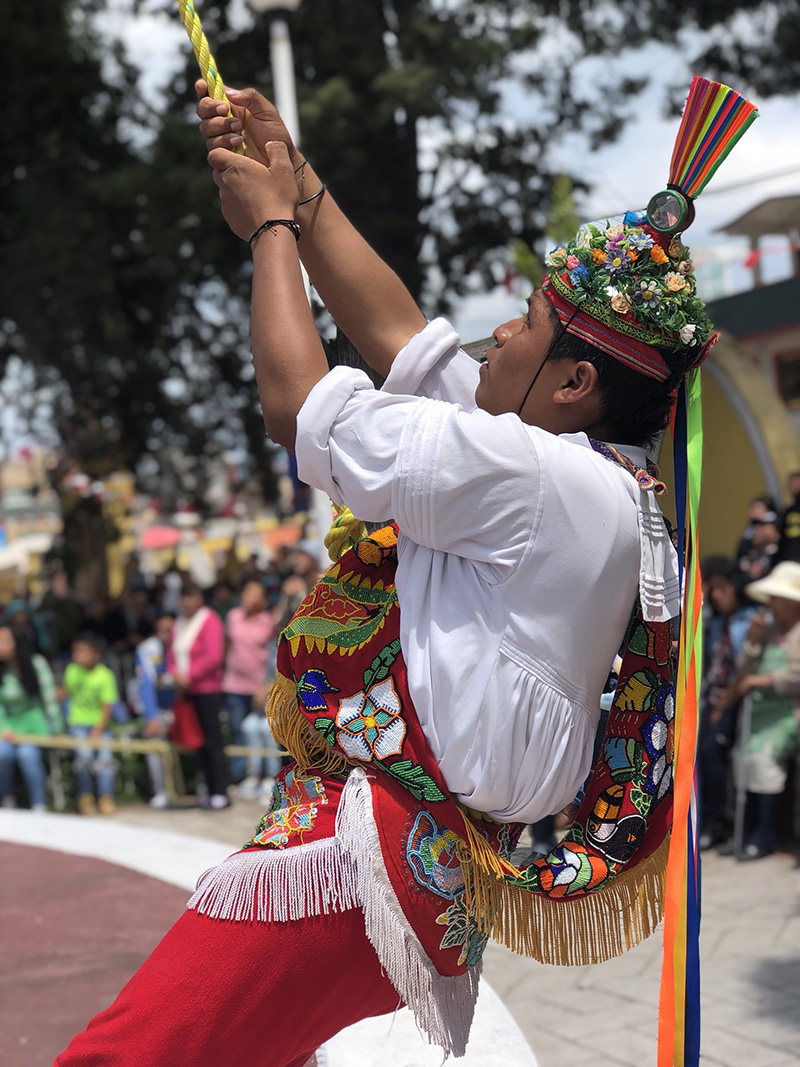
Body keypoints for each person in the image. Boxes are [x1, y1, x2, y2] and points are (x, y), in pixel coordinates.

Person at [57, 77, 737, 1067]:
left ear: (575, 384)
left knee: (127, 1054)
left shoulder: (534, 475)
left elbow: (300, 405)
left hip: (366, 859)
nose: (496, 334)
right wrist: (300, 181)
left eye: (524, 326)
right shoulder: (600, 481)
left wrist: (269, 231)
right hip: (412, 870)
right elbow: (402, 341)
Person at [733, 561, 800, 860]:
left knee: (764, 765)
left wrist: (762, 680)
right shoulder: (768, 630)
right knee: (744, 761)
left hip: (788, 715)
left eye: (775, 598)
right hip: (760, 716)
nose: (770, 604)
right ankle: (751, 830)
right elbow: (742, 672)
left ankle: (765, 834)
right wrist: (753, 643)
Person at [697, 558, 757, 850]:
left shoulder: (752, 620)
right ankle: (703, 819)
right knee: (696, 753)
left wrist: (721, 707)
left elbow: (743, 670)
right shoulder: (715, 621)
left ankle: (717, 822)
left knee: (712, 751)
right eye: (713, 588)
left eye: (724, 587)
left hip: (734, 700)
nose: (718, 594)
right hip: (710, 696)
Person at [168, 582, 229, 809]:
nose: (188, 602)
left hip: (206, 689)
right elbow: (172, 655)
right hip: (187, 690)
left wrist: (189, 675)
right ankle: (208, 787)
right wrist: (175, 675)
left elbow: (214, 656)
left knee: (213, 741)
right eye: (184, 597)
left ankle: (220, 790)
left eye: (192, 596)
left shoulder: (209, 619)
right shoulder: (179, 622)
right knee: (197, 741)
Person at [222, 578, 277, 788]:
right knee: (239, 730)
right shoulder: (233, 616)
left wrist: (268, 684)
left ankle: (268, 775)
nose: (246, 596)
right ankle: (241, 774)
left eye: (252, 593)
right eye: (245, 592)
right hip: (234, 684)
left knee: (265, 731)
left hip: (259, 687)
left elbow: (273, 654)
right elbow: (227, 646)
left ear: (263, 600)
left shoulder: (268, 622)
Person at [0, 625, 61, 811]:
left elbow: (49, 699)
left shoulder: (37, 663)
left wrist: (56, 730)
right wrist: (2, 728)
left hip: (36, 724)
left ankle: (39, 804)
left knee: (28, 755)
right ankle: (7, 802)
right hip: (9, 725)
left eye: (4, 641)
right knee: (2, 754)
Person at [61, 633, 120, 816]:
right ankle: (85, 797)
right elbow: (67, 693)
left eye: (82, 652)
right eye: (75, 652)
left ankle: (106, 796)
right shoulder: (71, 670)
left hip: (100, 726)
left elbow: (107, 706)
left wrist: (98, 729)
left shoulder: (105, 675)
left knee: (105, 761)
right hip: (78, 724)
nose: (77, 656)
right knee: (83, 759)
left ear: (96, 654)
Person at [132, 612, 177, 809]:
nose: (167, 635)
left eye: (170, 630)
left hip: (182, 707)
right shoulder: (146, 649)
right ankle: (162, 791)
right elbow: (147, 684)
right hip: (159, 710)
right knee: (154, 742)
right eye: (162, 631)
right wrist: (152, 717)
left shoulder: (184, 646)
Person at [778, 471, 800, 563]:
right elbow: (782, 538)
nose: (791, 486)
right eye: (790, 483)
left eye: (795, 482)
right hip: (792, 560)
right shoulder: (788, 512)